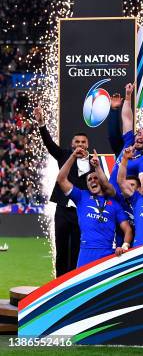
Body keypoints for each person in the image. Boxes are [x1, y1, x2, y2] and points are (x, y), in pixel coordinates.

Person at [34, 105, 91, 276]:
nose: (80, 144)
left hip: (81, 212)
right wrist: (41, 123)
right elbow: (49, 144)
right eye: (77, 142)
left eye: (83, 142)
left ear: (87, 145)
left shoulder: (95, 161)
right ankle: (58, 285)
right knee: (61, 249)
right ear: (72, 144)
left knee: (76, 250)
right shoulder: (64, 155)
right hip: (62, 209)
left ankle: (72, 284)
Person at [56, 148, 132, 268]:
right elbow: (61, 179)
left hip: (108, 253)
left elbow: (127, 229)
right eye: (89, 180)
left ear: (101, 181)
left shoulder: (114, 203)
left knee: (107, 287)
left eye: (95, 178)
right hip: (86, 252)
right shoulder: (81, 196)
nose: (92, 181)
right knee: (82, 286)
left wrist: (124, 246)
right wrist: (73, 157)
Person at [108, 83, 143, 194]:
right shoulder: (129, 142)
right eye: (139, 134)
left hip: (123, 202)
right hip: (110, 197)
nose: (140, 137)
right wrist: (128, 96)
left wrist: (135, 201)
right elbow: (127, 119)